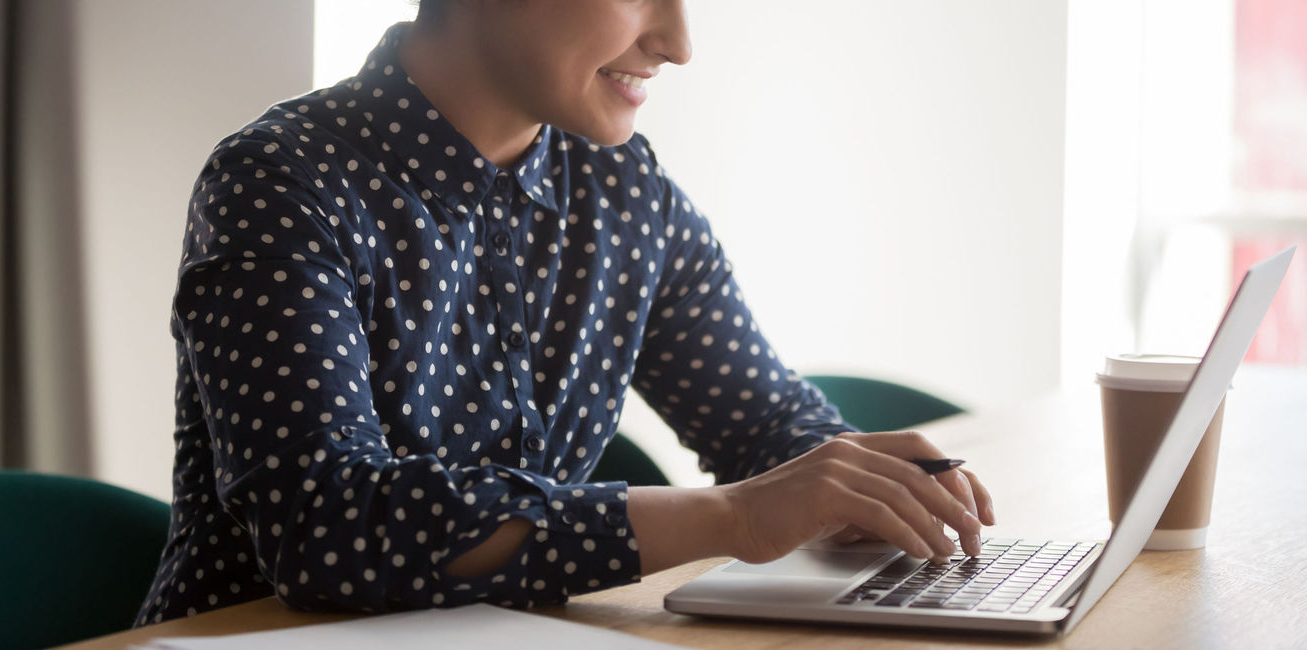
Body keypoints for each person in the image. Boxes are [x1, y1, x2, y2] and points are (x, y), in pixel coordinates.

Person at [134, 0, 995, 625]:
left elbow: (765, 425)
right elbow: (328, 528)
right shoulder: (281, 180)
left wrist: (858, 482)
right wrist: (732, 517)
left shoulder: (625, 189)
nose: (677, 42)